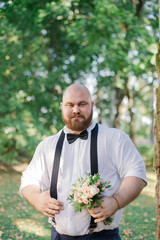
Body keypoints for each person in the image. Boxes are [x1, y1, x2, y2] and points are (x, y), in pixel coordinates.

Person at [19, 83, 147, 240]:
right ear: (62, 107)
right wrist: (36, 198)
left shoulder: (115, 139)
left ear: (92, 105)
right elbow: (28, 180)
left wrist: (116, 201)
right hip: (58, 236)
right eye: (70, 105)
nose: (75, 110)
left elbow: (137, 173)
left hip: (102, 237)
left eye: (82, 104)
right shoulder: (47, 145)